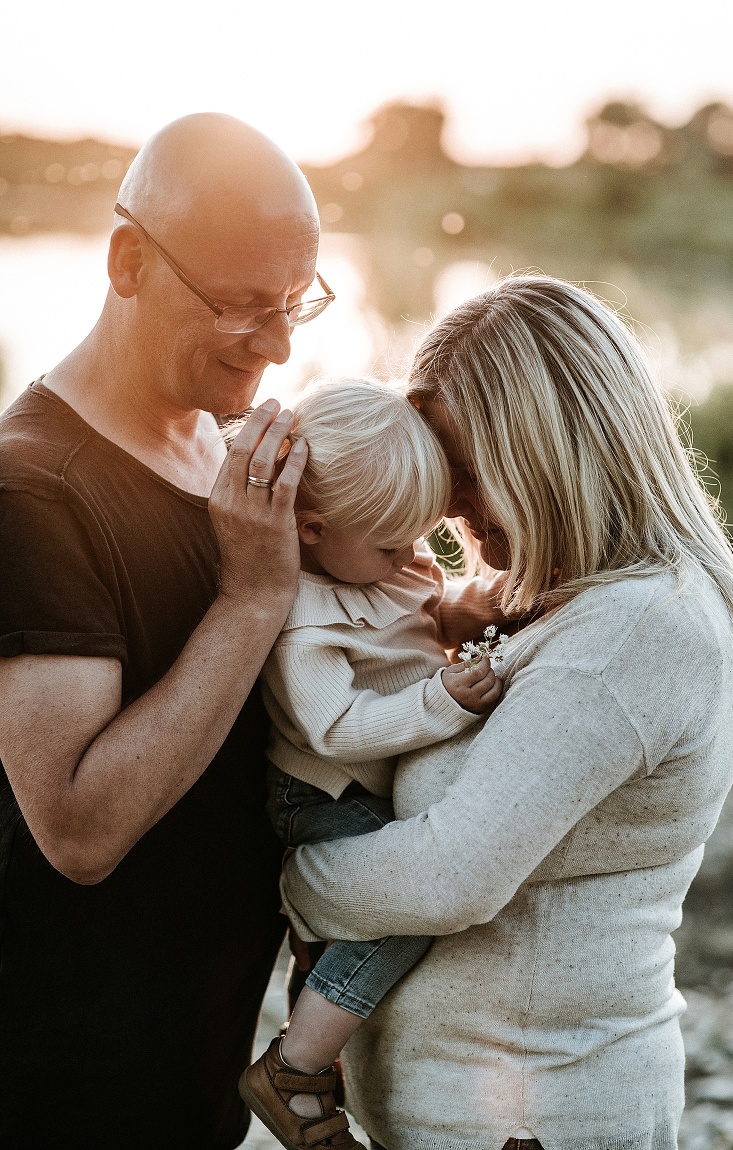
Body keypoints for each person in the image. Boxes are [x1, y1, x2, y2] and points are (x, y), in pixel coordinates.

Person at [279, 275, 733, 1150]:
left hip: (539, 1116)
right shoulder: (551, 600)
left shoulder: (637, 628)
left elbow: (447, 877)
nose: (447, 512)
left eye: (464, 474)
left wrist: (277, 874)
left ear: (550, 453)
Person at [0, 113, 332, 1150]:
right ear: (128, 259)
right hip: (68, 1081)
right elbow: (77, 829)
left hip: (195, 1060)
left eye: (294, 305)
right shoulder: (32, 489)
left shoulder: (216, 448)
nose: (277, 346)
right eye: (241, 306)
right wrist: (249, 599)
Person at [237, 378, 509, 1149]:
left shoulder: (382, 563)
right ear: (314, 529)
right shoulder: (304, 618)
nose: (413, 558)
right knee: (405, 911)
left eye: (421, 539)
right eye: (395, 545)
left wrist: (460, 613)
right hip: (325, 788)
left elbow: (415, 618)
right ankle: (291, 1067)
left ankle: (319, 1057)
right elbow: (337, 725)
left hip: (359, 780)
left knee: (344, 935)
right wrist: (443, 702)